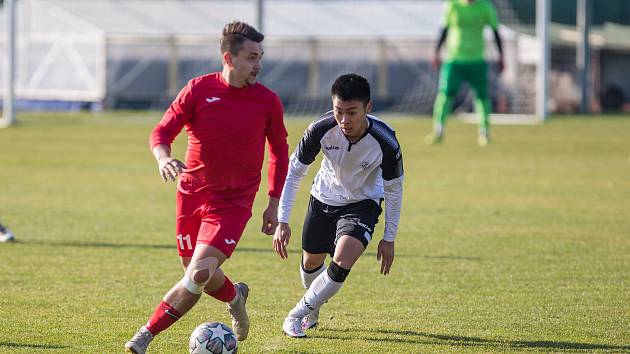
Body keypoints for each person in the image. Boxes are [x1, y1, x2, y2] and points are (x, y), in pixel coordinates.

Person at [125, 21, 289, 354]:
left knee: (199, 271)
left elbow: (279, 154)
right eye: (251, 57)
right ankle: (235, 296)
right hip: (192, 195)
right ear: (229, 58)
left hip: (233, 202)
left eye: (260, 57)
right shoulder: (198, 90)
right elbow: (161, 133)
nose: (258, 65)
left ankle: (145, 335)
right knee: (196, 271)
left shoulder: (267, 101)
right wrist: (162, 159)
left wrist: (273, 204)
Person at [272, 74, 404, 338]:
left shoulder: (386, 142)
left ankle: (294, 315)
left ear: (368, 107)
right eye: (338, 112)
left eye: (352, 112)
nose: (344, 120)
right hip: (323, 199)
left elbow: (394, 190)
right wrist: (283, 220)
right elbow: (295, 171)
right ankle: (313, 309)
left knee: (343, 257)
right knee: (311, 264)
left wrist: (389, 238)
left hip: (362, 203)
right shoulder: (320, 128)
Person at [425, 0, 505, 147]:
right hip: (454, 60)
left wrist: (501, 56)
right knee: (445, 95)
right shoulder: (452, 6)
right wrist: (436, 52)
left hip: (477, 60)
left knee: (482, 97)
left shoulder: (485, 7)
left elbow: (495, 32)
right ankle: (438, 131)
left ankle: (484, 133)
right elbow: (444, 30)